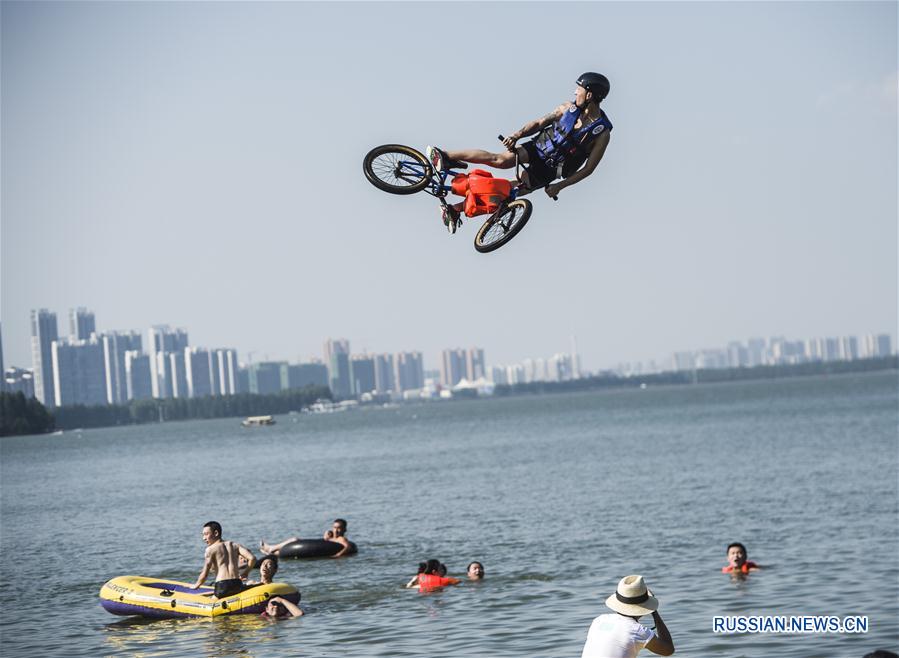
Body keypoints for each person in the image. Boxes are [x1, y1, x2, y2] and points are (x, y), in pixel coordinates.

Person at [426, 72, 613, 233]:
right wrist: (516, 135)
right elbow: (540, 123)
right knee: (499, 160)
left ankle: (454, 209)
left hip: (551, 170)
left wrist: (560, 186)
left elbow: (589, 169)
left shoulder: (602, 133)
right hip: (539, 148)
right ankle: (446, 156)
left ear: (589, 95)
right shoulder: (566, 108)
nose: (575, 92)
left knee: (508, 193)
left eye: (578, 89)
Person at [580, 575, 675, 658]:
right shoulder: (637, 630)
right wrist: (654, 612)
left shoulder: (599, 620)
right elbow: (668, 650)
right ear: (645, 606)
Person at [192, 521, 257, 599]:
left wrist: (197, 585)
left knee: (211, 600)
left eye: (206, 534)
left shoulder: (210, 549)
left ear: (216, 533)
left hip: (222, 585)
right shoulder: (235, 545)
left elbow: (205, 573)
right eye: (203, 535)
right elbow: (252, 558)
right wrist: (246, 572)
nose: (204, 538)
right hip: (237, 584)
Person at [260, 518, 357, 558]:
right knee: (292, 544)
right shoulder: (332, 537)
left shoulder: (341, 539)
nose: (336, 530)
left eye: (339, 528)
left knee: (295, 540)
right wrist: (327, 536)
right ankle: (271, 553)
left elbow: (347, 546)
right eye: (335, 528)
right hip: (318, 547)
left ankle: (271, 548)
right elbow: (323, 543)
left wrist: (338, 555)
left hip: (331, 552)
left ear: (344, 529)